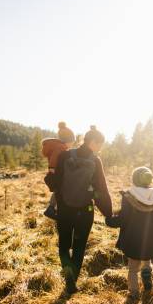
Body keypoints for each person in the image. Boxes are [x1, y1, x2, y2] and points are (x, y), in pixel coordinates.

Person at [49, 125, 112, 294]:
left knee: (64, 244)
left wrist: (57, 199)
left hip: (64, 209)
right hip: (85, 210)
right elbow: (101, 190)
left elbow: (55, 182)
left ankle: (67, 273)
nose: (100, 148)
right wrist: (108, 213)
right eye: (100, 144)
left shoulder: (65, 155)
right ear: (92, 142)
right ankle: (72, 281)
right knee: (79, 247)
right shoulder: (95, 161)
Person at [105, 166, 153, 299]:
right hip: (150, 240)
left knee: (132, 268)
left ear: (135, 179)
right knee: (146, 261)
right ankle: (147, 278)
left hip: (133, 238)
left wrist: (110, 221)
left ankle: (134, 293)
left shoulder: (129, 196)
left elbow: (124, 218)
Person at [41, 122, 76, 219]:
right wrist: (52, 169)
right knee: (59, 190)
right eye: (72, 141)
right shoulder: (60, 147)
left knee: (58, 190)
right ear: (67, 140)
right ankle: (51, 208)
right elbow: (54, 158)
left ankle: (53, 208)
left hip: (57, 171)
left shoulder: (60, 146)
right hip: (57, 172)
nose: (72, 144)